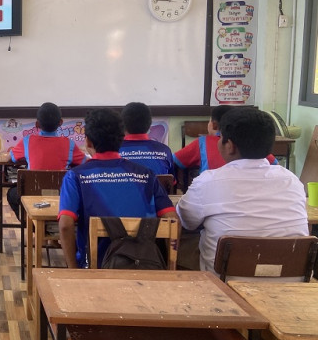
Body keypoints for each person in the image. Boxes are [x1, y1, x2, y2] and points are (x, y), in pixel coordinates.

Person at [176, 108, 308, 275]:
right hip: (293, 279)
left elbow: (186, 221)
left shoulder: (208, 181)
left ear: (230, 146)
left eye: (220, 137)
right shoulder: (291, 180)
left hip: (224, 282)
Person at [58, 108, 177, 269]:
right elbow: (173, 220)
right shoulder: (147, 175)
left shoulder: (75, 176)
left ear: (88, 142)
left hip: (95, 269)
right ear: (121, 139)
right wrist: (168, 267)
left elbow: (65, 225)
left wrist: (73, 271)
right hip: (145, 267)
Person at [5, 102, 86, 220]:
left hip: (31, 194)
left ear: (37, 124)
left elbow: (11, 158)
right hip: (60, 195)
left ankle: (30, 222)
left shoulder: (27, 141)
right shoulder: (69, 144)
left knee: (11, 194)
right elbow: (85, 162)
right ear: (60, 122)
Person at [174, 105, 277, 175]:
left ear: (214, 125)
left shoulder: (202, 142)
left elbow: (175, 160)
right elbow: (274, 164)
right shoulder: (255, 145)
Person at [118, 102, 175, 176]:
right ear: (150, 124)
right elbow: (171, 181)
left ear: (122, 125)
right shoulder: (164, 150)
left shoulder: (113, 151)